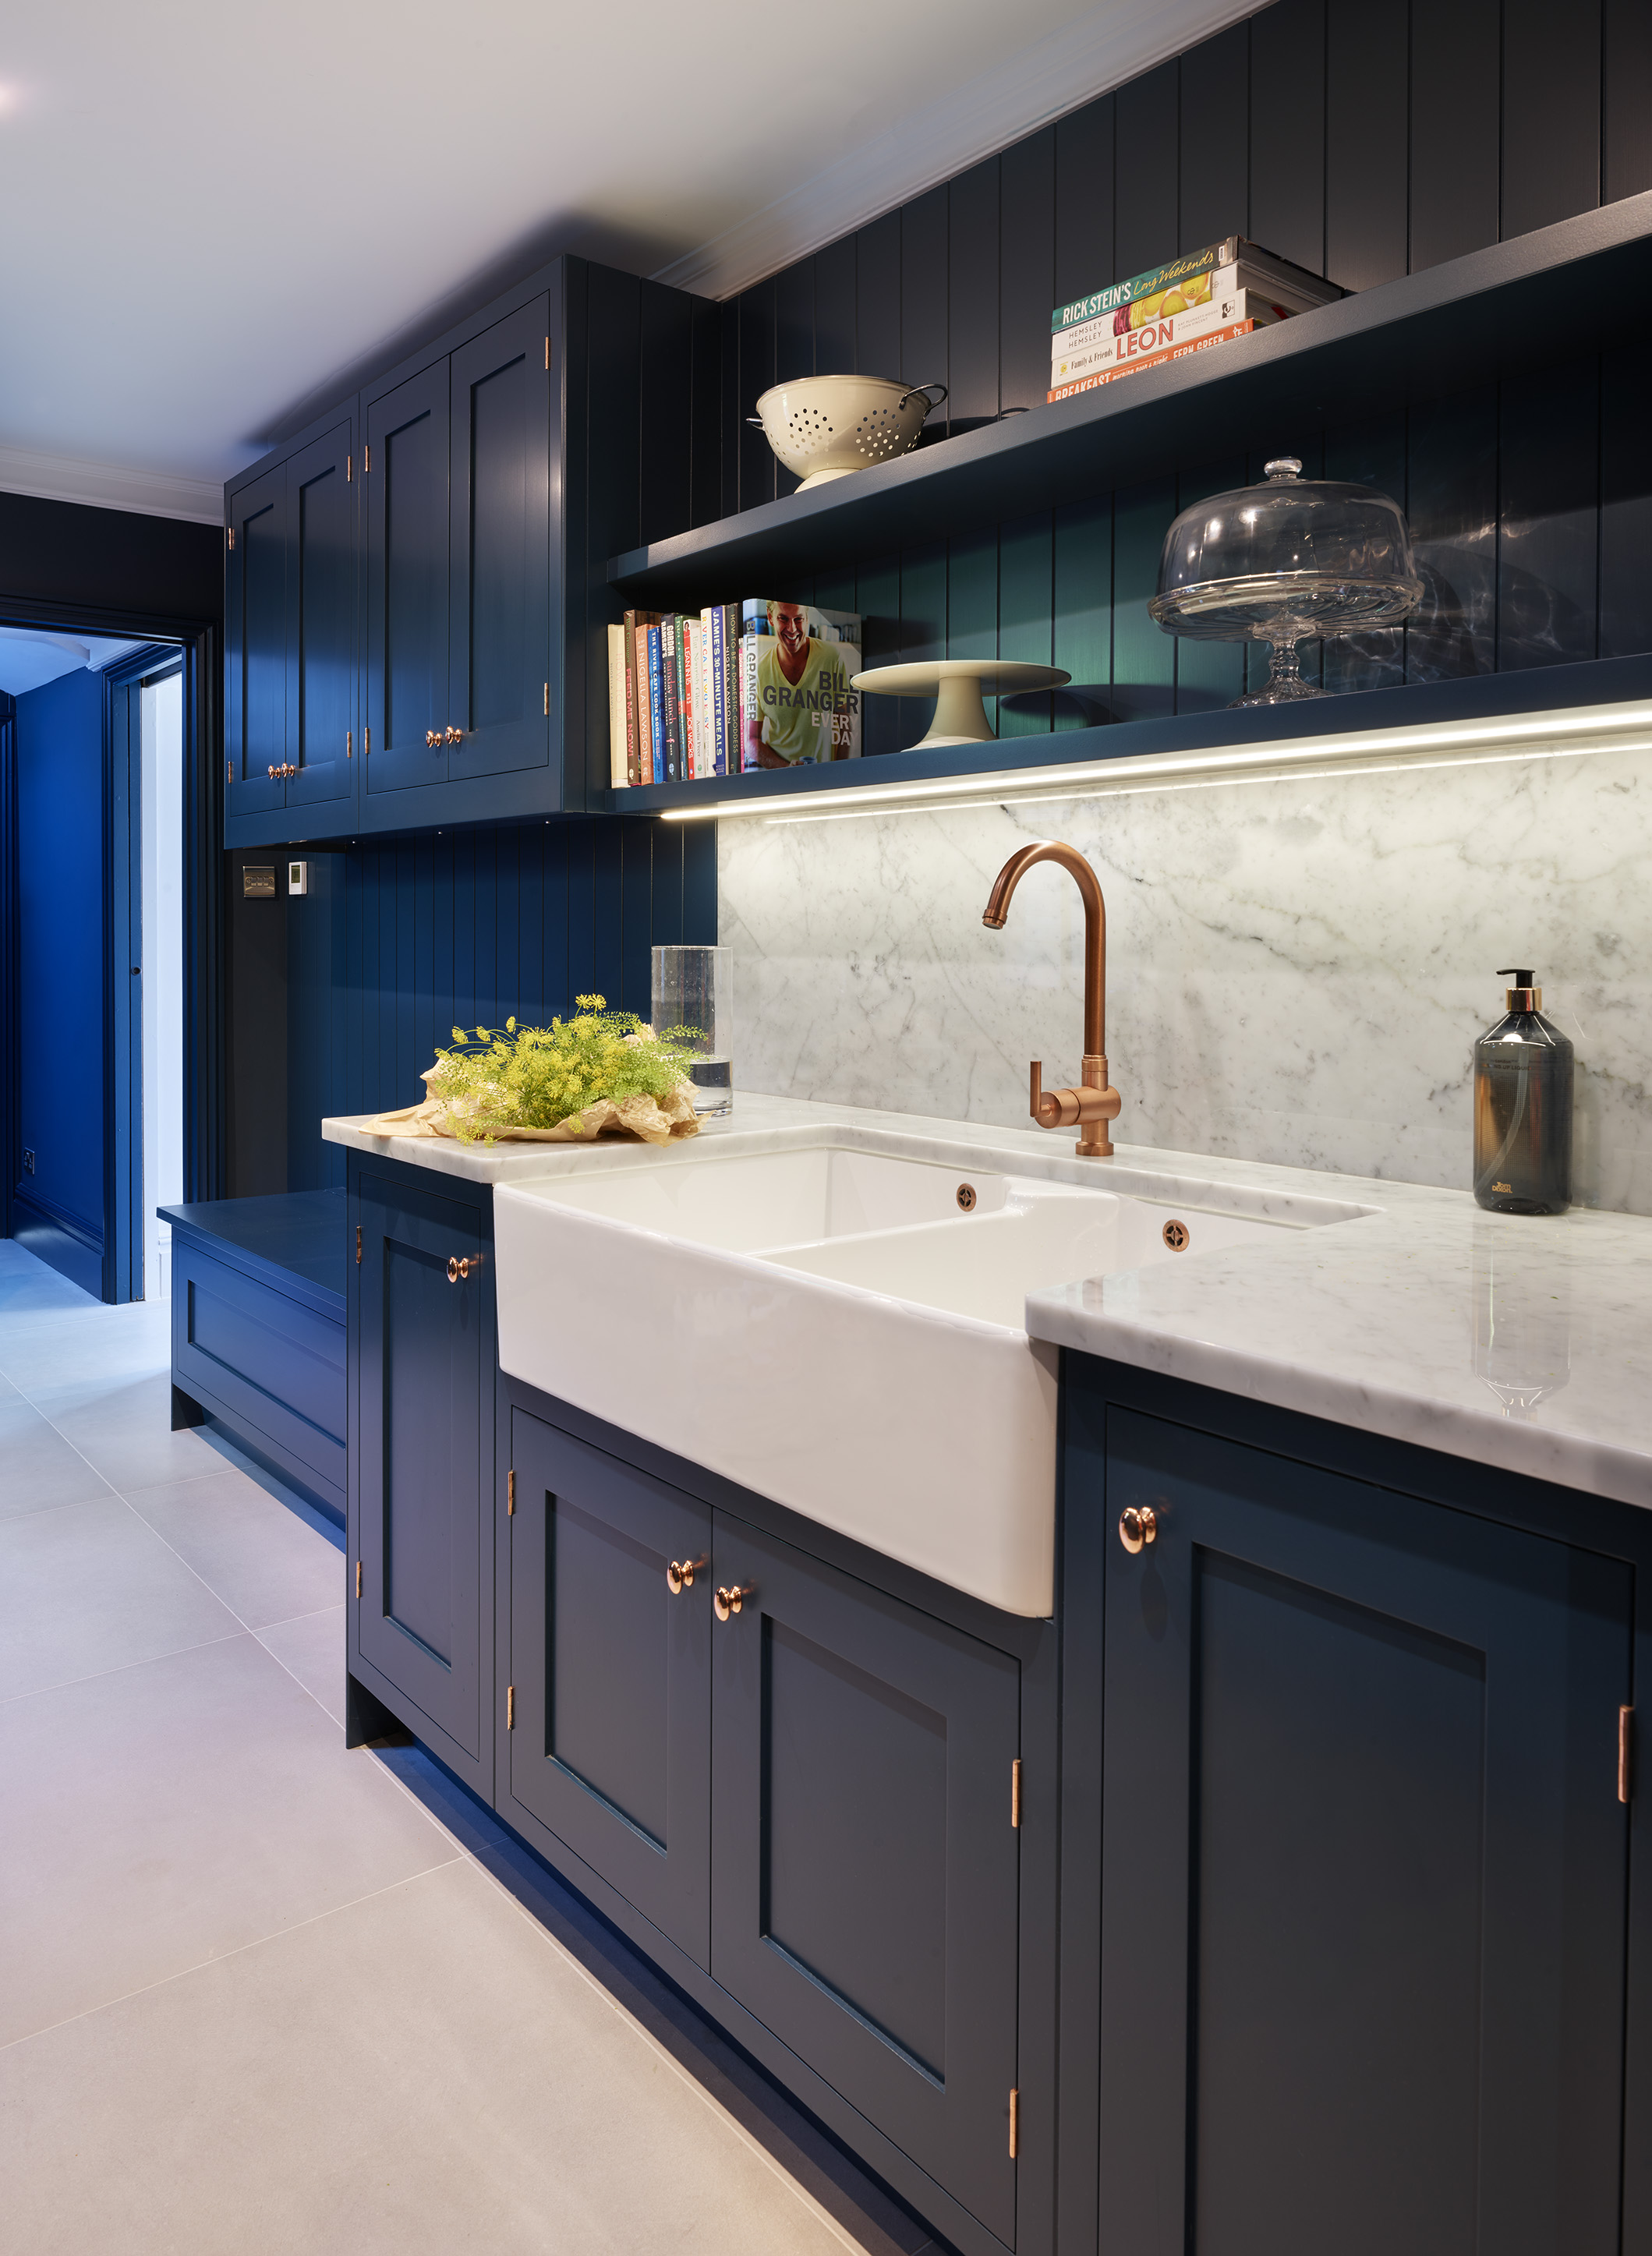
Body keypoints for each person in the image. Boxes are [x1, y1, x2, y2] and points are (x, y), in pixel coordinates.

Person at [742, 600, 855, 768]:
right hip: (779, 778)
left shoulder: (831, 657)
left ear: (807, 618)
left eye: (798, 619)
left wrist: (840, 773)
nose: (792, 629)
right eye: (783, 619)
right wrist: (786, 767)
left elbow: (846, 727)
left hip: (824, 776)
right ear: (770, 618)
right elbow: (751, 740)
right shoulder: (758, 670)